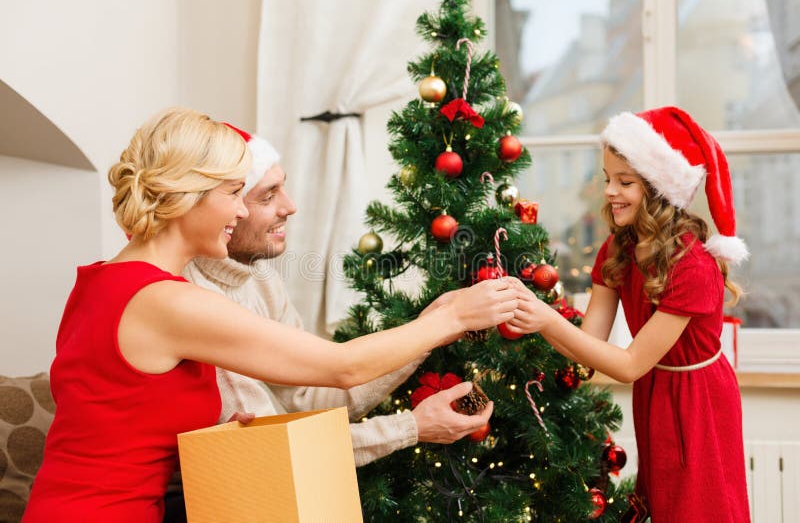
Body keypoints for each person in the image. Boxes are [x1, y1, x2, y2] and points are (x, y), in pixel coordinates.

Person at [22, 107, 518, 523]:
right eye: (234, 193)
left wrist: (223, 435)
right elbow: (340, 366)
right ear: (188, 195)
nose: (241, 212)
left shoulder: (101, 280)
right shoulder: (168, 301)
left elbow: (116, 417)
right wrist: (451, 316)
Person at [184, 125, 493, 458]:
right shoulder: (196, 300)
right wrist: (410, 427)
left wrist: (428, 331)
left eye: (282, 188)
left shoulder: (260, 280)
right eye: (268, 195)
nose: (290, 206)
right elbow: (273, 449)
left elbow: (307, 396)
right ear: (225, 208)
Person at [505, 107, 750, 522]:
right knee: (660, 501)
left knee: (698, 507)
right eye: (607, 179)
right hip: (656, 392)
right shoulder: (617, 250)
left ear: (657, 188)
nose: (609, 192)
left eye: (625, 182)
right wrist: (534, 315)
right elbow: (590, 342)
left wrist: (546, 320)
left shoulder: (692, 265)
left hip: (697, 400)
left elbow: (631, 364)